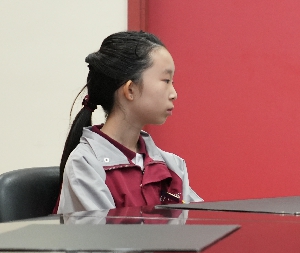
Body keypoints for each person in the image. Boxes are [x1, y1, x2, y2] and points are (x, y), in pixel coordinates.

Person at [57, 31, 202, 213]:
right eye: (166, 81)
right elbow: (104, 231)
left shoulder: (172, 165)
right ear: (130, 89)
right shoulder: (86, 165)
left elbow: (199, 221)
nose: (174, 94)